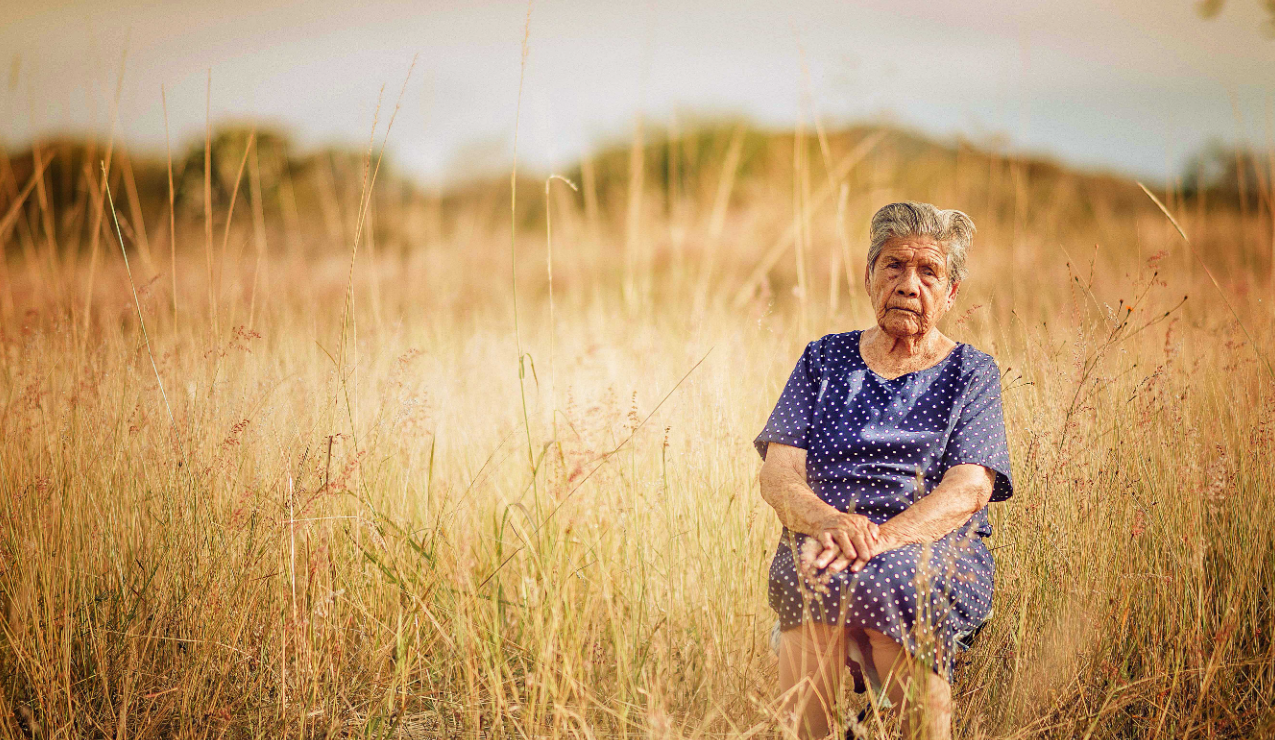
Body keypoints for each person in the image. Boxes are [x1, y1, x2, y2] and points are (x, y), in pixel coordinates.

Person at [755, 202, 1014, 739]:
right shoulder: (823, 360)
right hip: (826, 536)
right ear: (868, 275)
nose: (908, 284)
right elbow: (778, 475)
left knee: (892, 580)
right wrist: (828, 523)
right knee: (811, 573)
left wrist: (880, 540)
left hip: (928, 546)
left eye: (928, 271)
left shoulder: (972, 372)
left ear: (951, 292)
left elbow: (968, 489)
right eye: (893, 266)